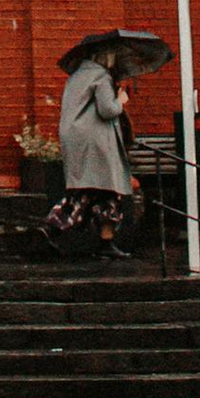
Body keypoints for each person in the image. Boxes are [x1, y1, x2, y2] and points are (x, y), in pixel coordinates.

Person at [51, 34, 140, 253]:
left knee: (101, 191)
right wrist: (120, 100)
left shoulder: (77, 75)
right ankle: (55, 227)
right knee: (95, 191)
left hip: (76, 140)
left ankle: (105, 241)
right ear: (105, 56)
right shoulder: (101, 76)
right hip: (96, 143)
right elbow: (107, 110)